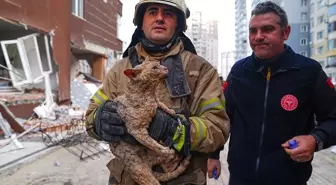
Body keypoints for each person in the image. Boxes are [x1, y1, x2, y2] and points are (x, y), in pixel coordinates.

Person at [84, 0, 230, 184]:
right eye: (153, 12)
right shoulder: (120, 70)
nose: (160, 18)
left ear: (178, 23)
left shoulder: (201, 71)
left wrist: (174, 130)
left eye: (168, 13)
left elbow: (218, 129)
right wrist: (99, 121)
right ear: (141, 21)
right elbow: (90, 116)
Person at [224, 2, 336, 185]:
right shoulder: (239, 71)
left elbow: (333, 118)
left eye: (267, 29)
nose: (258, 37)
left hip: (290, 178)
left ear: (286, 32)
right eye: (253, 31)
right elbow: (223, 117)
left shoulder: (309, 71)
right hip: (240, 178)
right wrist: (213, 154)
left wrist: (315, 140)